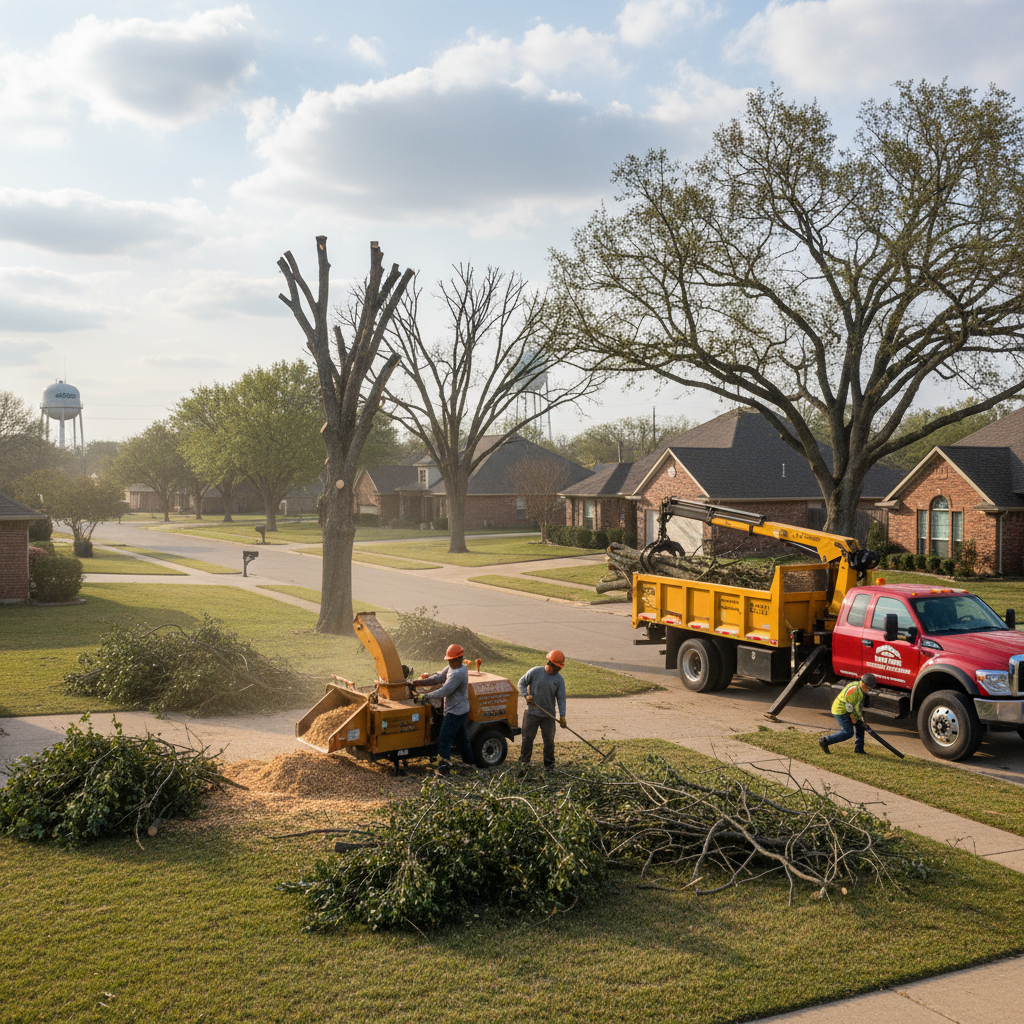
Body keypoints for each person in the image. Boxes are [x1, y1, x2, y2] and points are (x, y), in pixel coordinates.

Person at [411, 643, 476, 778]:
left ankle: (443, 771)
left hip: (456, 711)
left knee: (444, 739)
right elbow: (439, 677)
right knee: (461, 738)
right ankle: (470, 764)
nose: (450, 663)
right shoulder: (453, 667)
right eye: (449, 660)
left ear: (460, 659)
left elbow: (445, 690)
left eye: (452, 660)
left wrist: (427, 696)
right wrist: (419, 682)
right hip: (460, 709)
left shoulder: (459, 673)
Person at [517, 650, 568, 770]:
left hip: (548, 716)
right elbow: (521, 683)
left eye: (560, 668)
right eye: (557, 668)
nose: (558, 670)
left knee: (549, 742)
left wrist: (562, 715)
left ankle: (549, 766)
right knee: (527, 739)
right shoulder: (535, 672)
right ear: (550, 663)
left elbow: (561, 698)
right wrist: (526, 695)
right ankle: (524, 764)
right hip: (532, 713)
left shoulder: (559, 680)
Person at [819, 673, 876, 755]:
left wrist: (861, 720)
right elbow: (849, 707)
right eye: (868, 688)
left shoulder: (859, 688)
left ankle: (859, 749)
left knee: (860, 727)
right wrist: (855, 719)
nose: (868, 690)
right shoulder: (854, 690)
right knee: (848, 732)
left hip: (848, 710)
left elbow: (856, 707)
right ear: (864, 684)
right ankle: (825, 740)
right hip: (840, 711)